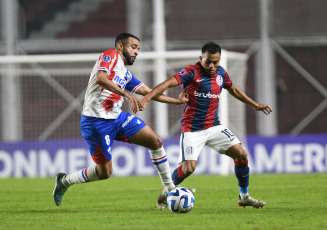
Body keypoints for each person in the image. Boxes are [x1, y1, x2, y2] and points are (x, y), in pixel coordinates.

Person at [52, 33, 188, 209]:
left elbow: (150, 92)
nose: (136, 52)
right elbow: (101, 78)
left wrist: (177, 101)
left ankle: (169, 189)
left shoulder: (125, 74)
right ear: (121, 46)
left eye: (138, 49)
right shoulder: (110, 55)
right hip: (96, 122)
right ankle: (64, 181)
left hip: (117, 118)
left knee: (155, 141)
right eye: (133, 47)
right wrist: (127, 95)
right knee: (104, 172)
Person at [138, 42, 272, 209]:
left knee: (241, 155)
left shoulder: (221, 73)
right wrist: (146, 98)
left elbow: (234, 90)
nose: (211, 66)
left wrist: (255, 105)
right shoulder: (191, 71)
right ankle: (165, 193)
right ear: (201, 58)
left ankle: (244, 197)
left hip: (214, 127)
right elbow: (166, 84)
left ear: (219, 60)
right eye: (208, 61)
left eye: (215, 62)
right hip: (192, 129)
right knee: (188, 169)